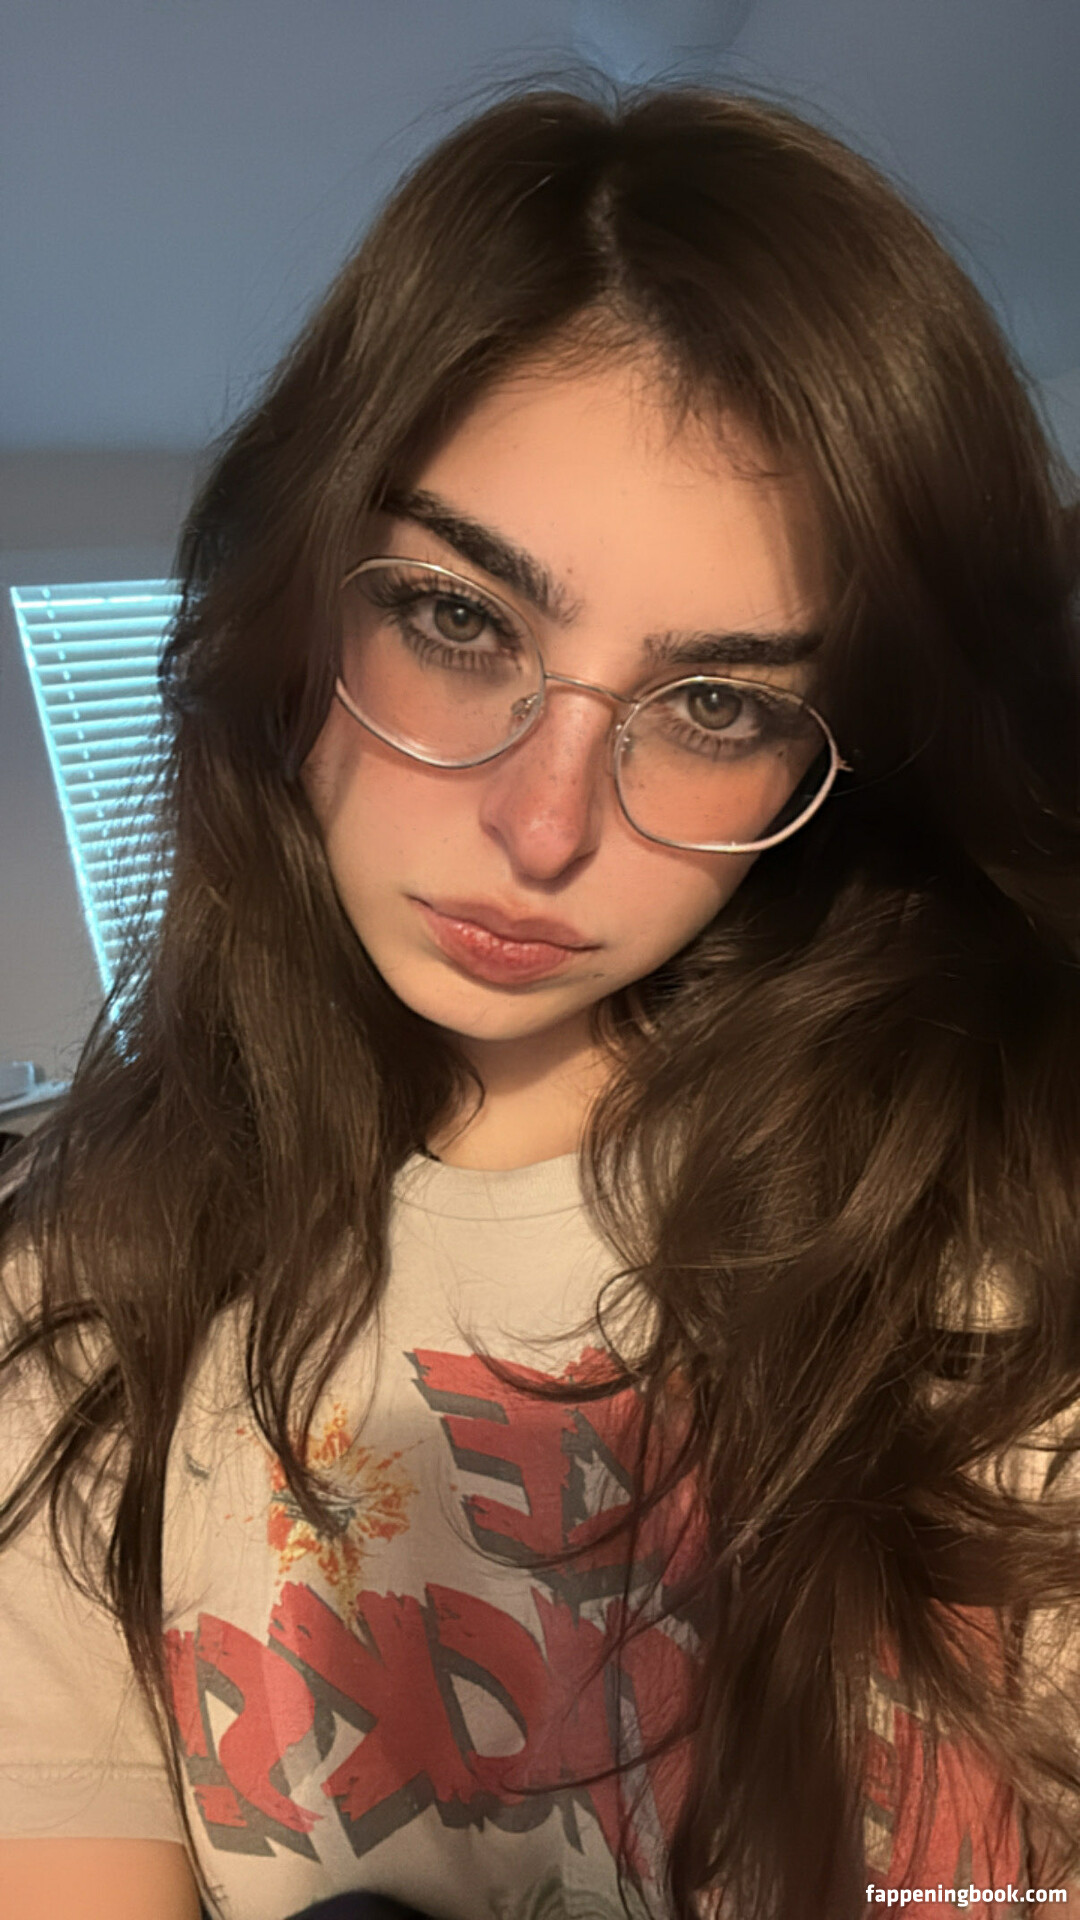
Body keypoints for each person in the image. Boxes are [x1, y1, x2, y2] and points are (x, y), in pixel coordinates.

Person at [1, 80, 1079, 1920]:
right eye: (460, 618)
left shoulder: (996, 1219)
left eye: (718, 704)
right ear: (298, 599)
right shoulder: (79, 1302)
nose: (545, 826)